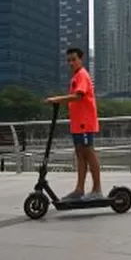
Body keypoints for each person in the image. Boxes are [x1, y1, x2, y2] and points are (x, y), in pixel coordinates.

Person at [46, 48, 101, 200]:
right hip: (77, 123)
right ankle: (79, 189)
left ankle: (97, 189)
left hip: (84, 122)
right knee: (80, 154)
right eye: (68, 60)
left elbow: (78, 96)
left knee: (88, 153)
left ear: (81, 59)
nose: (70, 63)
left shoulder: (82, 75)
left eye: (73, 59)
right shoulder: (76, 76)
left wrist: (57, 99)